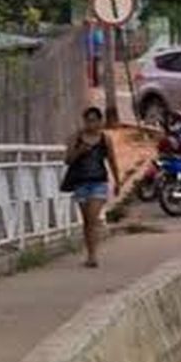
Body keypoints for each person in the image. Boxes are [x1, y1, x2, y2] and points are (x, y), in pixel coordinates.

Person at [64, 107, 119, 268]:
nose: (91, 124)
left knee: (93, 217)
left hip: (98, 182)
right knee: (87, 221)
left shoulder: (105, 139)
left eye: (95, 120)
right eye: (88, 120)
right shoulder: (76, 137)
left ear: (100, 121)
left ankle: (94, 255)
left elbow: (112, 160)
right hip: (81, 182)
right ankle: (90, 254)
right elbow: (68, 160)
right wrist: (79, 151)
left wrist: (117, 181)